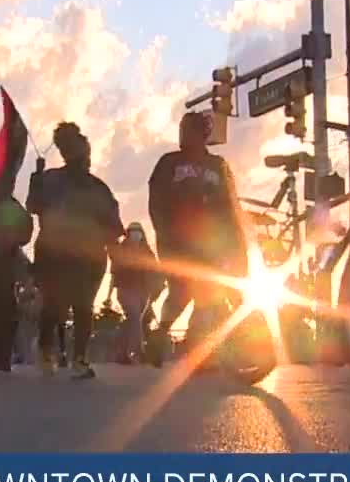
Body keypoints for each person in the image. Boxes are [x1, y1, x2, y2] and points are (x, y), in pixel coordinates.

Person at [147, 112, 248, 368]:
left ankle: (197, 352)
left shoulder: (218, 165)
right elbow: (155, 199)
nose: (182, 134)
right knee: (180, 293)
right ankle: (160, 336)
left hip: (212, 244)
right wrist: (164, 233)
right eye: (181, 128)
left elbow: (232, 207)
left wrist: (238, 245)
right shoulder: (168, 162)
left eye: (188, 129)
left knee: (206, 294)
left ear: (202, 134)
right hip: (176, 241)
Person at [27, 122, 125, 380]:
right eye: (77, 151)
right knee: (53, 305)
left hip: (90, 256)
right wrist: (35, 181)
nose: (85, 157)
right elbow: (33, 206)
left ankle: (79, 358)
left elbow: (114, 226)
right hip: (54, 253)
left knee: (83, 306)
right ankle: (46, 350)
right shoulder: (50, 179)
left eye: (86, 151)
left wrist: (116, 255)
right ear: (66, 152)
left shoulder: (99, 188)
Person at [0, 195, 34, 372]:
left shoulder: (8, 201)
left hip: (4, 260)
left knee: (6, 308)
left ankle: (2, 357)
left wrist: (14, 239)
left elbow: (26, 227)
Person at [110, 222, 162, 364]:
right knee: (134, 317)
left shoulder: (147, 251)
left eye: (138, 231)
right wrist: (109, 295)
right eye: (132, 231)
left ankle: (122, 354)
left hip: (143, 291)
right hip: (125, 289)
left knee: (132, 321)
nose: (135, 234)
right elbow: (113, 272)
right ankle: (139, 352)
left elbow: (155, 271)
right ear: (128, 233)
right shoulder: (121, 250)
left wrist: (156, 289)